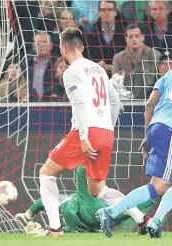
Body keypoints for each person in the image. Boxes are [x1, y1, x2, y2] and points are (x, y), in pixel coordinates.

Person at [96, 37, 172, 238]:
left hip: (157, 126)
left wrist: (148, 135)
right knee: (159, 185)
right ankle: (110, 212)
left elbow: (149, 104)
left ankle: (155, 222)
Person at [38, 27, 147, 236]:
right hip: (106, 132)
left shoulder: (71, 71)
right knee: (98, 190)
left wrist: (85, 136)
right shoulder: (98, 69)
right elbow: (115, 102)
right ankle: (141, 218)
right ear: (82, 46)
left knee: (46, 173)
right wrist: (107, 126)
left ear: (63, 48)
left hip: (86, 131)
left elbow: (79, 102)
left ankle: (54, 228)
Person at [15, 166, 157, 234]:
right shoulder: (71, 200)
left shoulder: (66, 200)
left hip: (88, 216)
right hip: (101, 213)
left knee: (85, 182)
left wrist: (27, 215)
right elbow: (43, 203)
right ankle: (145, 215)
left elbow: (43, 202)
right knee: (120, 204)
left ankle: (44, 231)